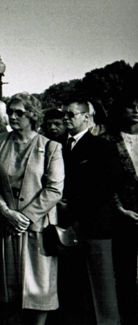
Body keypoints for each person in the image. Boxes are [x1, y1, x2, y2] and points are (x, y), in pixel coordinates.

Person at [0, 93, 63, 325]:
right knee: (9, 289)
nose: (13, 116)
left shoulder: (50, 146)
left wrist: (26, 216)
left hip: (38, 227)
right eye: (10, 112)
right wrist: (5, 212)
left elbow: (54, 189)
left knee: (39, 289)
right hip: (7, 226)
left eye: (19, 112)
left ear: (32, 115)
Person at [55, 99, 119, 325]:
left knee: (101, 288)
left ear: (86, 117)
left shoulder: (103, 147)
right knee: (73, 288)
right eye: (64, 115)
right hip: (65, 226)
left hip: (93, 227)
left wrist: (72, 207)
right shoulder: (57, 146)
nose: (65, 118)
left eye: (71, 114)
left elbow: (104, 188)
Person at [103, 90, 138, 324]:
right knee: (125, 276)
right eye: (130, 106)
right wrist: (120, 209)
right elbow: (104, 183)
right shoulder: (107, 141)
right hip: (124, 217)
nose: (136, 110)